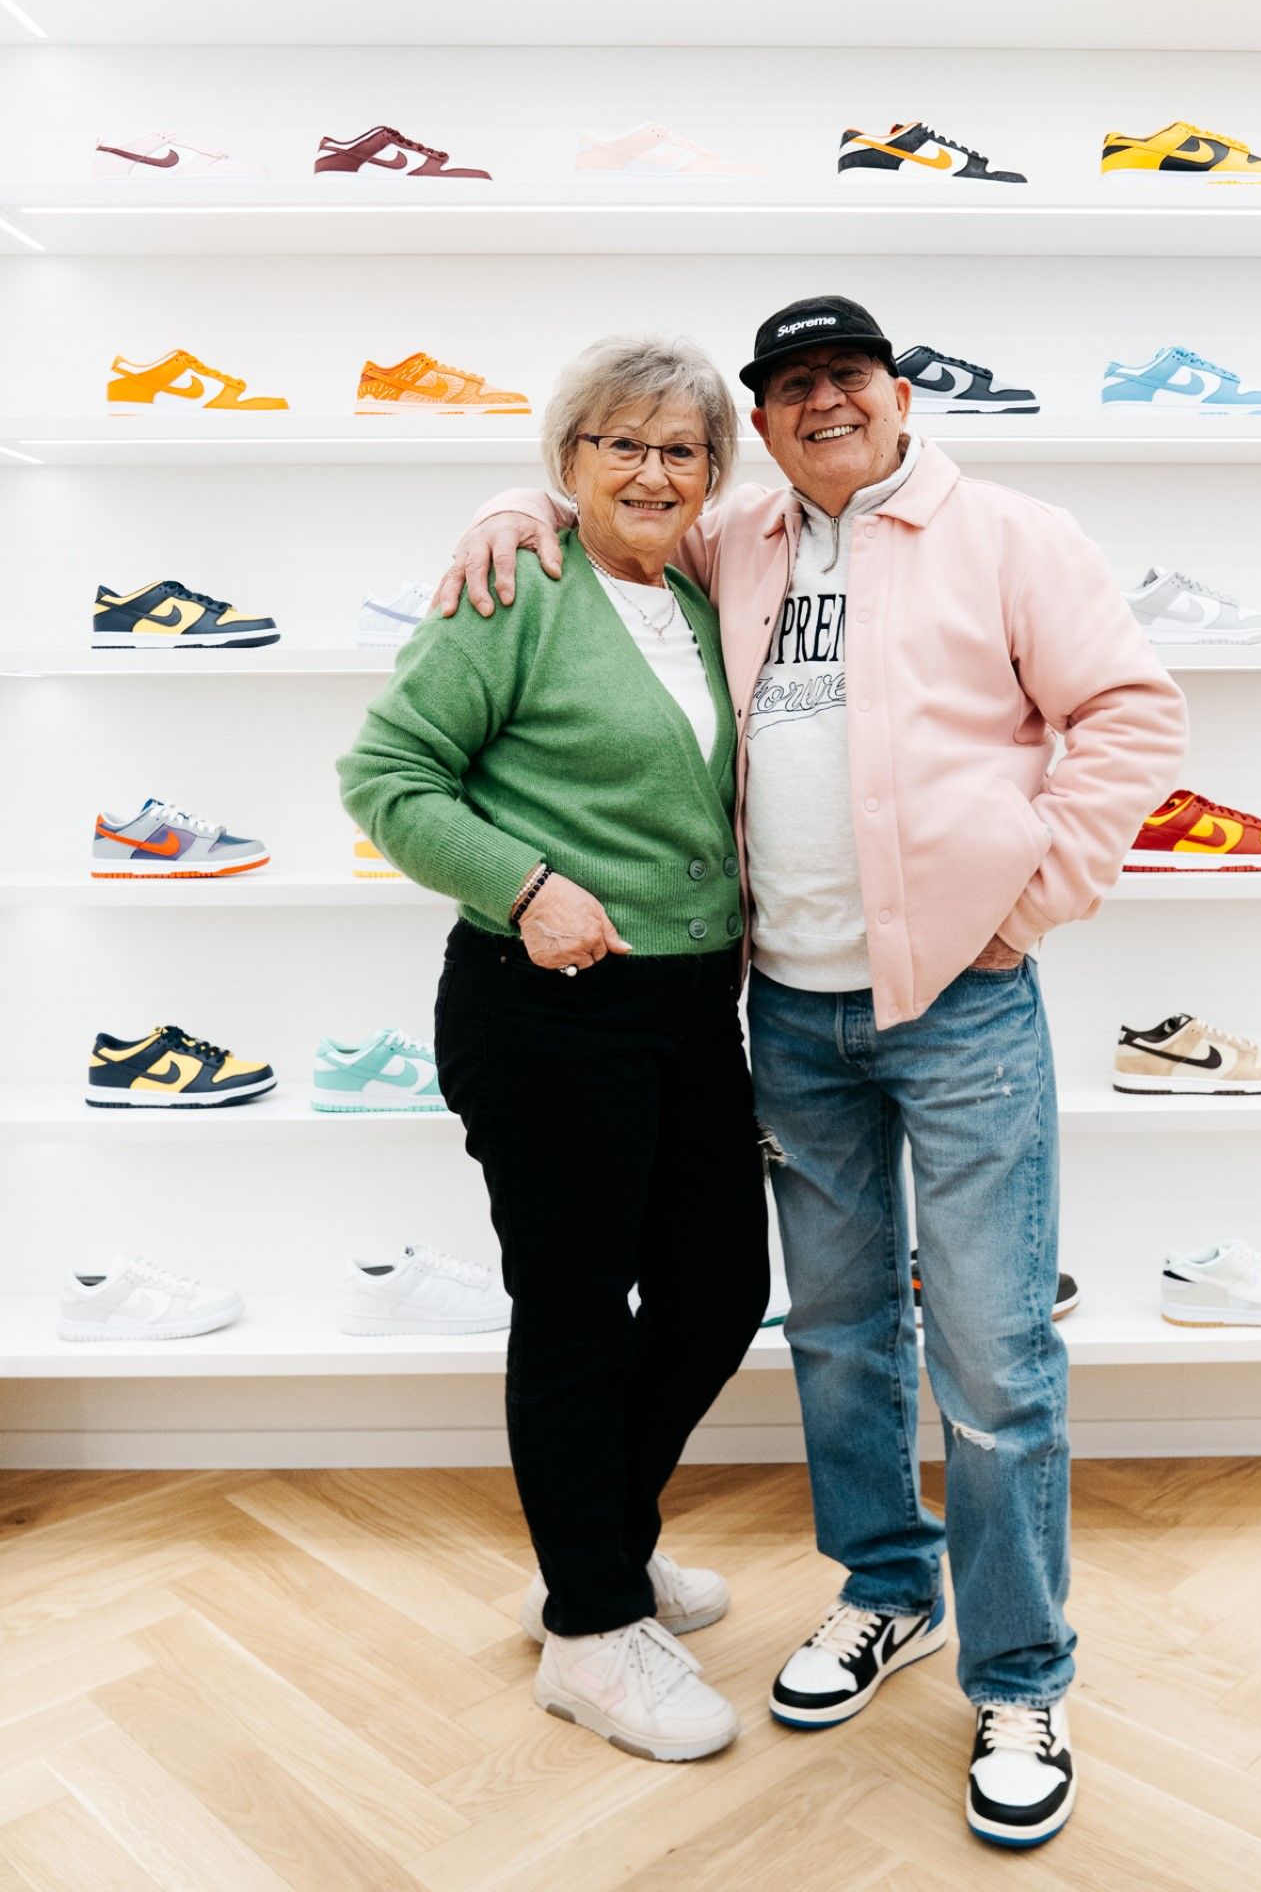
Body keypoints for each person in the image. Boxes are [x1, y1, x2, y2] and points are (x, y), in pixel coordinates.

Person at [432, 296, 1188, 1847]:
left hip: (963, 1010)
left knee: (993, 1358)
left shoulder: (1011, 535)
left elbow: (1129, 712)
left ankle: (1021, 1676)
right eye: (789, 388)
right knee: (838, 1336)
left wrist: (1031, 901)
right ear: (760, 428)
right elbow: (618, 523)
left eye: (848, 375)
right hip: (786, 1011)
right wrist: (519, 504)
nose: (822, 401)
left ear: (900, 395)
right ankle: (886, 1587)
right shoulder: (740, 540)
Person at [338, 335, 770, 1765]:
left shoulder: (696, 594)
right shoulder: (516, 587)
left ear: (713, 474)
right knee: (578, 1312)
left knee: (717, 1290)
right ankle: (591, 1629)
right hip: (546, 1006)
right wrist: (524, 886)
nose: (652, 472)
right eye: (619, 444)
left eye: (680, 450)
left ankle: (597, 1547)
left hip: (689, 1007)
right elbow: (384, 773)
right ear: (567, 460)